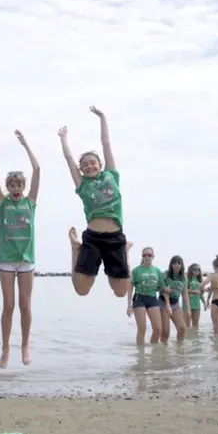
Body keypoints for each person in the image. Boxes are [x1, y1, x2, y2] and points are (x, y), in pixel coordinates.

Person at [60, 106, 130, 298]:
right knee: (81, 290)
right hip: (93, 238)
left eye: (93, 162)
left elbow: (106, 143)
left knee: (121, 292)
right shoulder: (83, 186)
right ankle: (76, 247)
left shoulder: (111, 176)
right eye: (85, 165)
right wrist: (63, 139)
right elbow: (68, 159)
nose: (90, 165)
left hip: (115, 238)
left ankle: (126, 252)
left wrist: (102, 117)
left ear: (100, 165)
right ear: (81, 170)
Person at [0, 126, 40, 368]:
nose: (16, 189)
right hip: (7, 259)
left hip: (26, 259)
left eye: (20, 185)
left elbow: (37, 169)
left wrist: (25, 143)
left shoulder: (30, 203)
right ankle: (5, 347)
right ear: (8, 187)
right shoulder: (2, 203)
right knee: (8, 305)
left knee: (25, 305)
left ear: (24, 187)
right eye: (13, 185)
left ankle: (25, 345)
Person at [127, 246, 167, 345]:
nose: (146, 257)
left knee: (158, 329)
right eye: (144, 255)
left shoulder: (157, 270)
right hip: (139, 298)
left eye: (149, 255)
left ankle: (153, 352)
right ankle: (140, 356)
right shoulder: (136, 270)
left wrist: (168, 302)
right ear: (142, 257)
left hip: (152, 299)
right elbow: (130, 287)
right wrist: (129, 305)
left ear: (153, 256)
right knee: (142, 329)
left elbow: (162, 287)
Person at [159, 255, 188, 343]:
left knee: (182, 328)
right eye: (174, 263)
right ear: (171, 265)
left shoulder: (183, 277)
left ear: (182, 265)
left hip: (175, 304)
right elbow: (163, 289)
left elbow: (185, 294)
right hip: (163, 303)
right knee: (166, 332)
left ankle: (179, 350)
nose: (177, 265)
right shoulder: (165, 274)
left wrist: (188, 308)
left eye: (179, 263)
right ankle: (163, 352)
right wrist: (167, 305)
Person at [200, 254, 218, 336]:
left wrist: (206, 290)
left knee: (216, 331)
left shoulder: (212, 276)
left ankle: (217, 347)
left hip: (216, 302)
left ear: (214, 266)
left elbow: (201, 285)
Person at [186, 263, 206, 327]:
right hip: (188, 303)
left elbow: (201, 294)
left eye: (198, 270)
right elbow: (184, 290)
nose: (197, 271)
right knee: (187, 324)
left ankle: (195, 336)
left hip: (197, 303)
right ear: (191, 270)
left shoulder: (200, 280)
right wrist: (194, 291)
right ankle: (188, 336)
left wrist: (204, 303)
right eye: (195, 269)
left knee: (196, 323)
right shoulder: (188, 279)